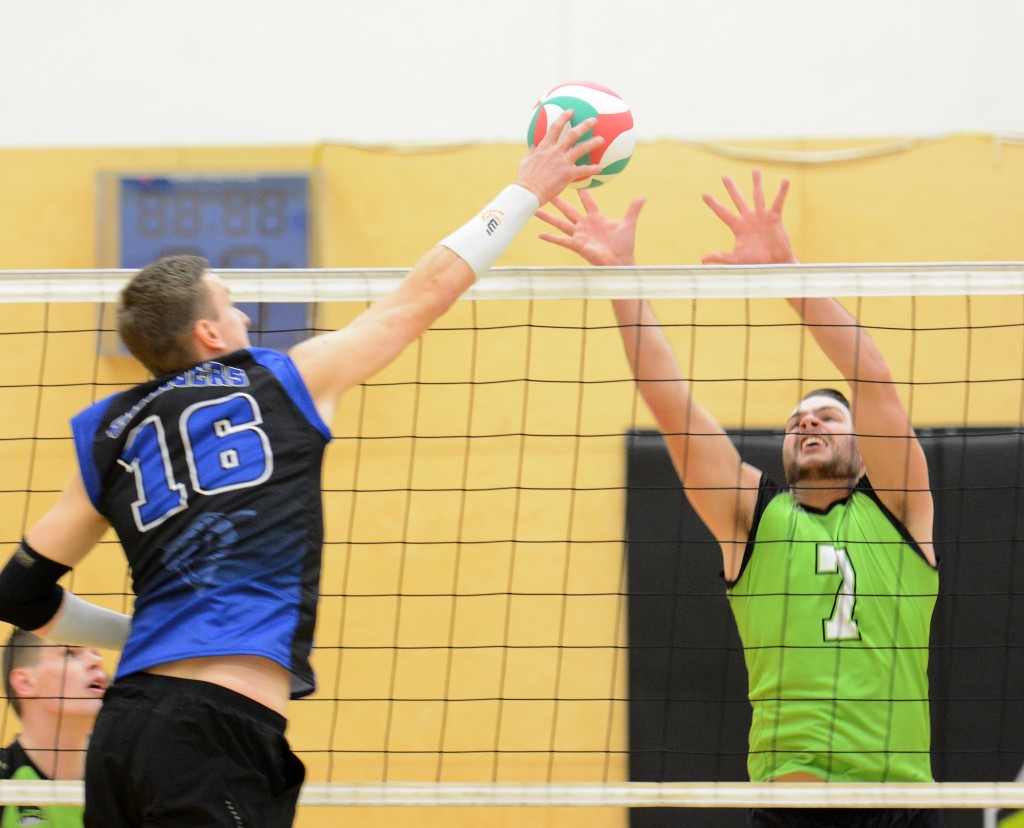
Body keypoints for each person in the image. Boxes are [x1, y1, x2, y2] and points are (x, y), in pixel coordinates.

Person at [0, 108, 604, 828]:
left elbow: (21, 592)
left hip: (123, 733)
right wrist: (526, 189)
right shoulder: (283, 379)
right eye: (234, 305)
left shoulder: (109, 431)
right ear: (209, 331)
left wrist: (139, 636)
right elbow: (423, 295)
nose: (248, 320)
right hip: (215, 729)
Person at [537, 172, 943, 827]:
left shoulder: (897, 509)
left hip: (901, 808)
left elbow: (872, 377)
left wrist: (788, 274)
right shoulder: (752, 518)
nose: (807, 423)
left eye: (826, 418)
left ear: (864, 448)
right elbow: (671, 405)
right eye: (796, 422)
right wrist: (620, 279)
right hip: (791, 811)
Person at [1, 628, 108, 827]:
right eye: (70, 653)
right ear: (25, 682)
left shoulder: (129, 773)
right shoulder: (4, 778)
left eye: (96, 653)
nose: (97, 662)